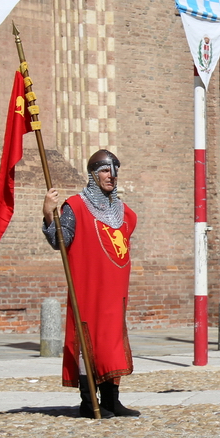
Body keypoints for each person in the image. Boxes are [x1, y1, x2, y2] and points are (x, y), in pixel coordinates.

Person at [41, 149, 139, 418]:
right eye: (106, 170)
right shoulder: (75, 206)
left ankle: (111, 400)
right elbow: (58, 242)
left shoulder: (125, 213)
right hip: (88, 288)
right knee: (88, 343)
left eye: (115, 170)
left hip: (115, 291)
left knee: (112, 343)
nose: (112, 176)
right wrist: (50, 214)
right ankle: (89, 402)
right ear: (93, 175)